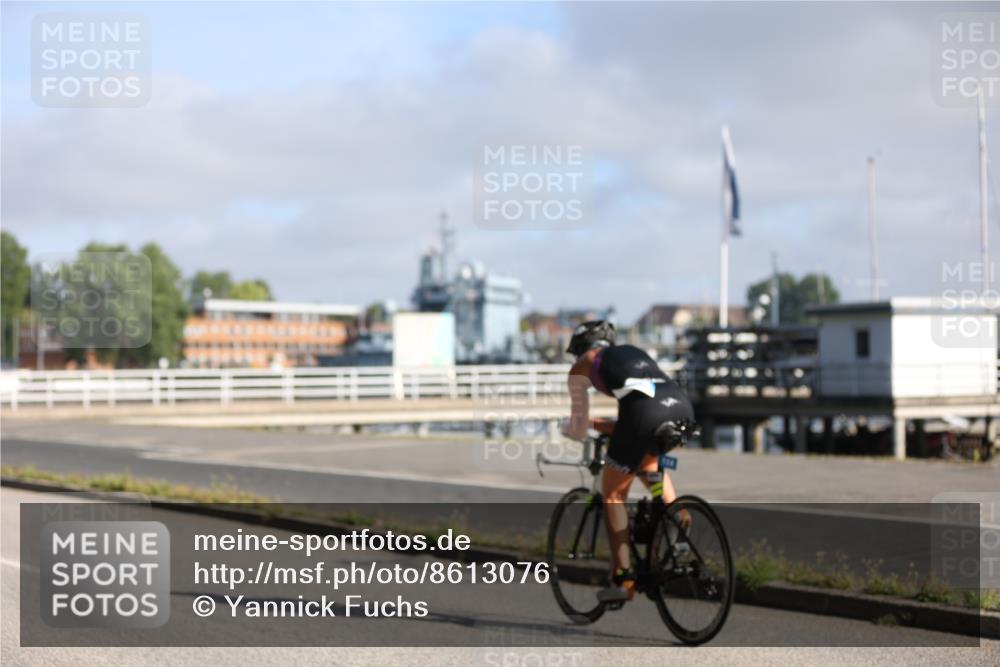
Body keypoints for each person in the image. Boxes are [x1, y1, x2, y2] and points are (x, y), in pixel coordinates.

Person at [561, 320, 695, 603]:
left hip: (644, 414)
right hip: (681, 407)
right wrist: (601, 424)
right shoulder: (631, 354)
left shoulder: (585, 363)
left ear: (582, 348)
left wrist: (571, 427)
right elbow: (635, 409)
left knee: (612, 494)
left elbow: (580, 427)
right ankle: (677, 515)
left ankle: (624, 578)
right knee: (647, 465)